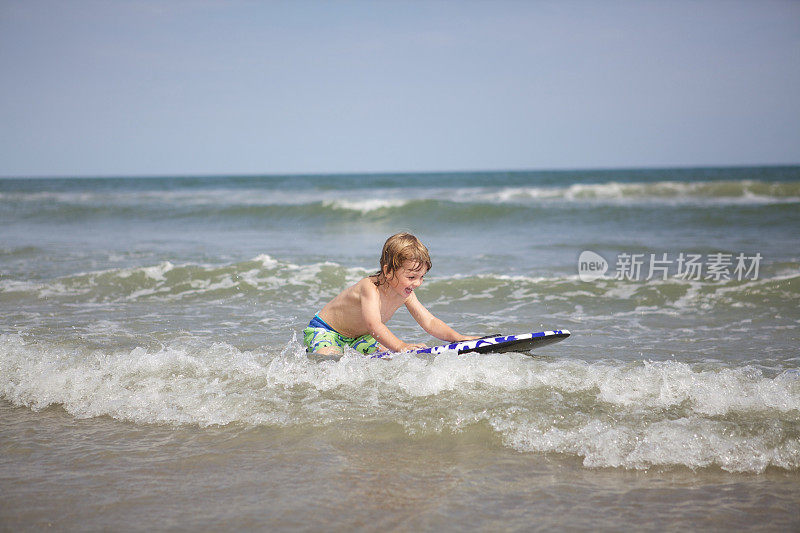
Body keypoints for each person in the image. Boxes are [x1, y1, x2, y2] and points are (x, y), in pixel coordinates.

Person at [303, 232, 481, 356]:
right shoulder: (369, 287)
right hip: (326, 331)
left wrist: (458, 338)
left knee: (387, 358)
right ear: (388, 271)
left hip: (359, 338)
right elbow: (374, 325)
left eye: (421, 277)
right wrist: (402, 346)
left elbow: (429, 321)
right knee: (329, 362)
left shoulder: (405, 293)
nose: (417, 283)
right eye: (411, 276)